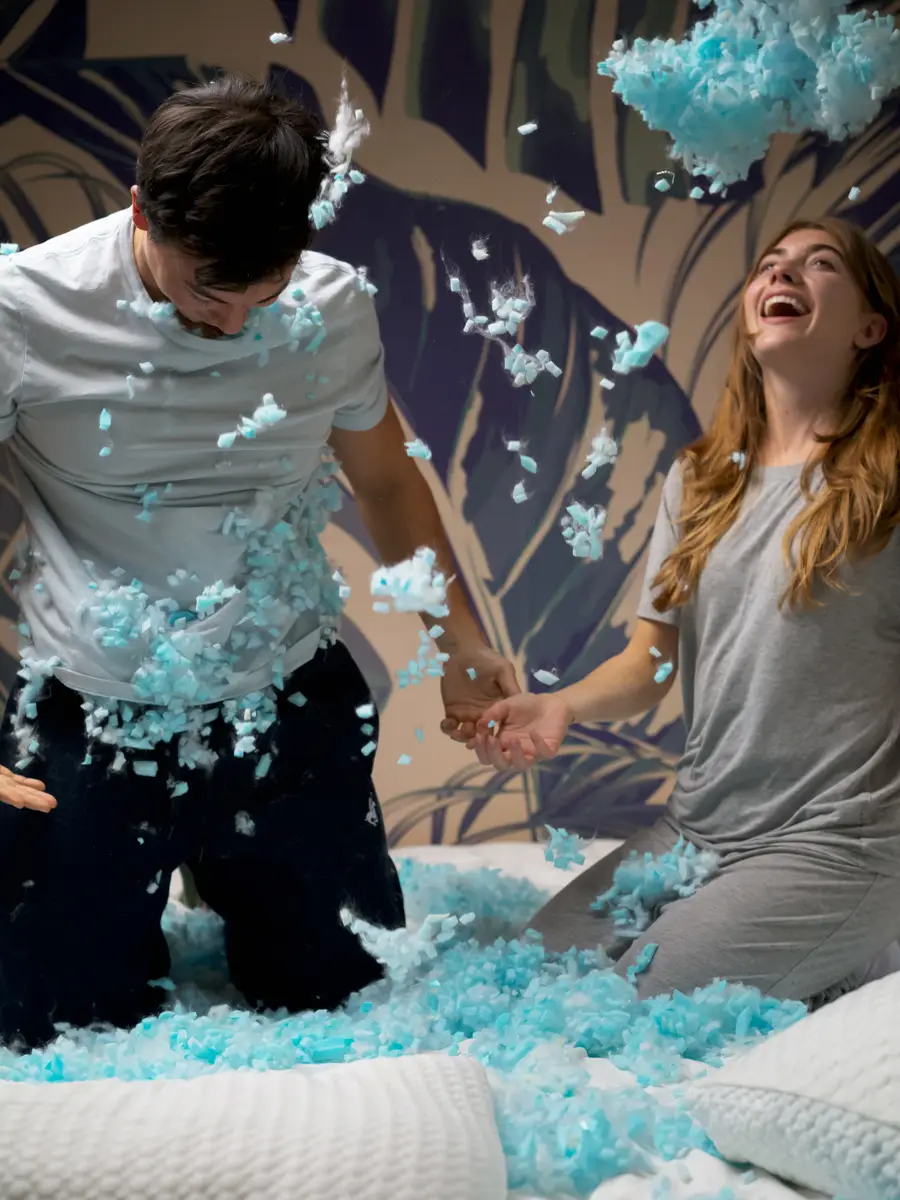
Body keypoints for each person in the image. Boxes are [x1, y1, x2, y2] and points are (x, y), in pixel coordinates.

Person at [0, 72, 519, 1050]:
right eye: (207, 290)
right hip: (94, 705)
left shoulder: (332, 306)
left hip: (283, 694)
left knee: (330, 991)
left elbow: (388, 485)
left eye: (261, 292)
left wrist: (459, 648)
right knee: (51, 1019)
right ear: (141, 209)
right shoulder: (23, 311)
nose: (233, 323)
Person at [470, 216, 900, 1005]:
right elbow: (652, 662)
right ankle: (839, 961)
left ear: (871, 327)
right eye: (770, 266)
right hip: (694, 830)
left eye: (819, 264)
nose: (782, 275)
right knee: (523, 980)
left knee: (631, 1002)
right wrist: (558, 704)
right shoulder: (700, 478)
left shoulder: (892, 482)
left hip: (832, 842)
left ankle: (859, 936)